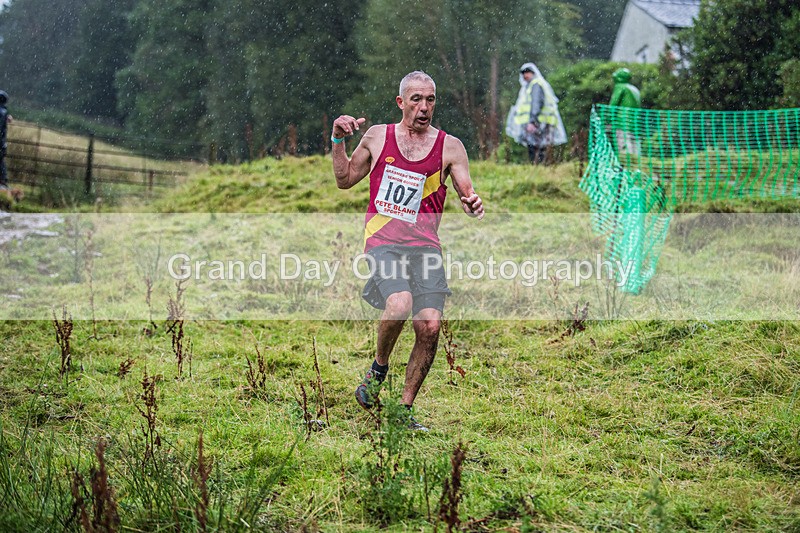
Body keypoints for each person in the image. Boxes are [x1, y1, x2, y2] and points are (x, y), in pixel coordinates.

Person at [331, 71, 484, 432]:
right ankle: (378, 368)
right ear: (401, 102)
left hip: (425, 247)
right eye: (416, 99)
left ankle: (403, 411)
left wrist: (471, 201)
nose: (424, 107)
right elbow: (344, 180)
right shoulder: (377, 136)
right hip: (383, 240)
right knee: (399, 304)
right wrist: (337, 139)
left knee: (429, 327)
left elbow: (466, 189)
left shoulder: (450, 146)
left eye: (430, 99)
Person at [505, 63, 566, 164]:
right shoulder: (531, 86)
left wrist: (532, 121)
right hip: (540, 121)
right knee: (540, 146)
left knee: (537, 147)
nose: (525, 75)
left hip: (539, 122)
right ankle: (540, 167)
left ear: (533, 73)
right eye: (523, 73)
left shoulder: (536, 85)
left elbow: (536, 104)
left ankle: (539, 167)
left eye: (527, 72)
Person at [608, 68, 641, 155]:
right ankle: (636, 166)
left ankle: (627, 166)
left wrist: (608, 119)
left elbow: (613, 104)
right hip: (635, 123)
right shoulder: (634, 89)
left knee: (624, 146)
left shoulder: (620, 86)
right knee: (635, 146)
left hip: (622, 122)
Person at [0, 90, 12, 190]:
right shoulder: (4, 112)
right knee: (1, 161)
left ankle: (3, 181)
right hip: (2, 143)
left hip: (1, 142)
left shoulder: (2, 112)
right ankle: (3, 181)